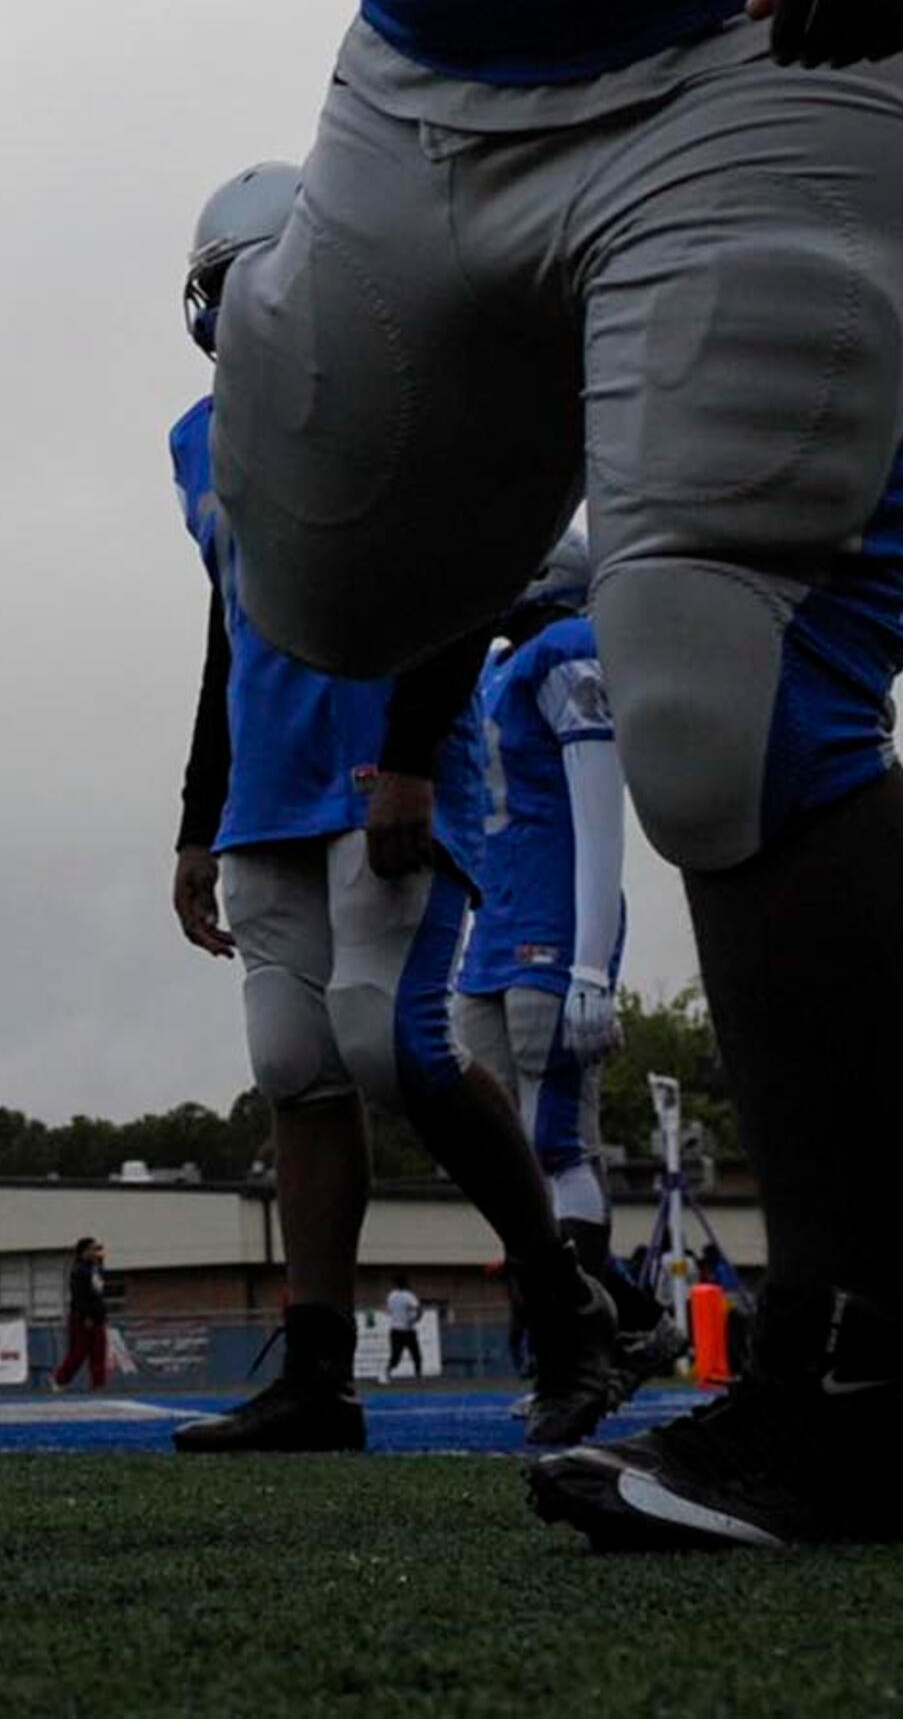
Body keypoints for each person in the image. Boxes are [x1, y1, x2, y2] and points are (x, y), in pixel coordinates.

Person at [212, 0, 903, 1552]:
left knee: (718, 682)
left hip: (762, 16)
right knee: (317, 583)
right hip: (420, 89)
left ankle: (850, 1390)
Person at [164, 176, 622, 1458]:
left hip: (380, 765)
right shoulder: (201, 437)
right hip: (266, 786)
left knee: (391, 1043)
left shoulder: (398, 395)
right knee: (292, 1071)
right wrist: (198, 813)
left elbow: (472, 570)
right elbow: (226, 628)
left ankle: (570, 1309)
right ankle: (320, 1373)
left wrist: (415, 750)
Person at [438, 537, 681, 1385]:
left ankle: (574, 1349)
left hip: (550, 926)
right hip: (493, 933)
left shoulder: (570, 652)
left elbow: (598, 805)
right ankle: (628, 1317)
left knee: (554, 1145)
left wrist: (588, 966)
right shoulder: (498, 669)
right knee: (489, 1143)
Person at [49, 1239, 118, 1393]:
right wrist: (85, 1316)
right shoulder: (79, 1270)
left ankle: (98, 1384)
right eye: (93, 1249)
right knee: (78, 1353)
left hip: (97, 1316)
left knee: (99, 1352)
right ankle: (60, 1379)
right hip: (82, 1318)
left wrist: (101, 1315)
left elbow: (98, 1293)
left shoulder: (96, 1268)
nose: (96, 1252)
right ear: (84, 1252)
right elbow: (79, 1296)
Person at [382, 1273, 427, 1381]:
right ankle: (418, 1375)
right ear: (406, 1283)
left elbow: (387, 1310)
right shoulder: (408, 1295)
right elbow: (419, 1309)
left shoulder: (391, 1295)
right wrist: (416, 1319)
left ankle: (386, 1373)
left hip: (395, 1330)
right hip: (408, 1330)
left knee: (395, 1356)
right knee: (416, 1354)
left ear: (395, 1284)